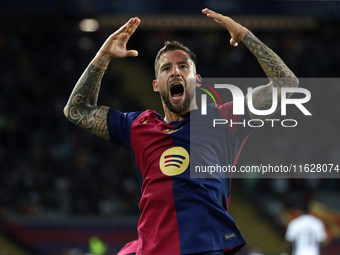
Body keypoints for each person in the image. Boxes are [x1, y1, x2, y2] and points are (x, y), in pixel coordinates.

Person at [64, 8, 298, 255]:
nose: (175, 71)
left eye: (183, 66)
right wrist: (103, 56)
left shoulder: (224, 118)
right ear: (155, 85)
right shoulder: (138, 126)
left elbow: (287, 84)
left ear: (196, 79)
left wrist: (246, 35)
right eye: (166, 68)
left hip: (207, 248)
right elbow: (76, 110)